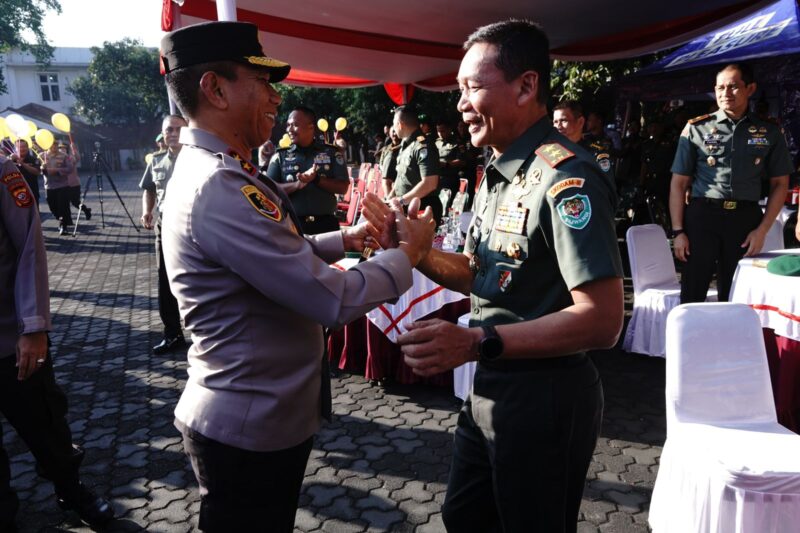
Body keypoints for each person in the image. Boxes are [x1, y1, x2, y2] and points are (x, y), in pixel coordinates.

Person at [158, 21, 433, 532]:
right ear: (214, 89)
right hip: (248, 426)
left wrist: (344, 240)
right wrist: (407, 255)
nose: (275, 97)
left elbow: (269, 259)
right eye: (261, 82)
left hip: (254, 415)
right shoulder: (219, 184)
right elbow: (333, 299)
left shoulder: (215, 170)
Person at [363, 19, 624, 533]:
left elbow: (603, 320)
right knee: (465, 518)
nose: (460, 103)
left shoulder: (565, 177)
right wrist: (417, 253)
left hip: (545, 397)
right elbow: (483, 274)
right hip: (490, 385)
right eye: (460, 88)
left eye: (473, 86)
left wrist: (476, 341)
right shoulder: (499, 171)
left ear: (527, 86)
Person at [0, 155, 114, 530]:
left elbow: (30, 246)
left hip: (10, 337)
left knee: (46, 426)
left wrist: (33, 327)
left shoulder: (3, 171)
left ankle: (71, 489)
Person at [669, 63, 791, 303]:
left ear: (750, 88)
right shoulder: (696, 128)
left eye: (734, 87)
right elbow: (678, 183)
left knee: (737, 294)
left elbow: (780, 183)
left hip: (744, 221)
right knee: (693, 289)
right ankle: (689, 340)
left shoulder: (769, 132)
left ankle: (731, 340)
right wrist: (678, 231)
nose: (726, 93)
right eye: (720, 87)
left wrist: (763, 230)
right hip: (703, 216)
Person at [139, 114, 189, 355]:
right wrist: (147, 211)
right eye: (168, 130)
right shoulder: (157, 160)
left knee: (197, 278)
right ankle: (172, 333)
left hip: (194, 227)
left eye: (178, 129)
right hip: (165, 226)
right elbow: (149, 189)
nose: (173, 133)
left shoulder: (199, 158)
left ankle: (205, 333)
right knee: (164, 280)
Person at [266, 106, 349, 235]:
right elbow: (268, 190)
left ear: (311, 127)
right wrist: (297, 185)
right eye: (288, 125)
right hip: (292, 226)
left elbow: (343, 187)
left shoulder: (331, 153)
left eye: (295, 125)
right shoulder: (280, 156)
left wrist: (316, 179)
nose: (289, 130)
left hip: (326, 226)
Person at [389, 105, 442, 223]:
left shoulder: (422, 145)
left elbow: (430, 183)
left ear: (400, 124)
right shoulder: (405, 144)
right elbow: (401, 177)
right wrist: (391, 197)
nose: (393, 128)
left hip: (422, 209)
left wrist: (401, 201)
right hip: (406, 206)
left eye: (394, 124)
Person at [41, 142, 73, 235]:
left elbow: (70, 168)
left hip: (62, 185)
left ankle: (63, 225)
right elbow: (37, 169)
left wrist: (57, 171)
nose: (53, 147)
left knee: (63, 206)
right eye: (51, 145)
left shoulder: (64, 156)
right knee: (52, 207)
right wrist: (42, 168)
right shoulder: (42, 156)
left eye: (55, 144)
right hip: (49, 186)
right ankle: (60, 218)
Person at [435, 120, 467, 204]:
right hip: (437, 179)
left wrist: (446, 164)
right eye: (438, 131)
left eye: (442, 131)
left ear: (449, 130)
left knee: (448, 204)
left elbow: (462, 161)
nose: (440, 133)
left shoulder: (457, 143)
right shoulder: (436, 142)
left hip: (450, 179)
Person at [61, 142, 91, 221]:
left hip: (74, 184)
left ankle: (86, 210)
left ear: (67, 149)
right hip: (63, 185)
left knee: (75, 202)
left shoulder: (70, 158)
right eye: (60, 148)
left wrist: (74, 148)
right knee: (64, 203)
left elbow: (77, 158)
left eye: (64, 148)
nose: (62, 150)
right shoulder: (58, 159)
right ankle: (67, 220)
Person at [581, 110, 615, 175]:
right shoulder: (583, 138)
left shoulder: (607, 139)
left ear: (599, 121)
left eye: (590, 120)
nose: (587, 122)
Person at [9, 140, 41, 207]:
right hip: (16, 193)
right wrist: (9, 160)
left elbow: (37, 172)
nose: (22, 149)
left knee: (34, 215)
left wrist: (23, 164)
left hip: (32, 191)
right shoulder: (10, 160)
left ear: (27, 147)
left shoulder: (34, 159)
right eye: (19, 147)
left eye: (24, 147)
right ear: (15, 148)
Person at [378, 127, 401, 197]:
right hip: (386, 179)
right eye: (393, 132)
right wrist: (384, 171)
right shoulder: (386, 149)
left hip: (397, 181)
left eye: (396, 132)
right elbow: (381, 163)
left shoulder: (405, 147)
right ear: (390, 134)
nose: (394, 134)